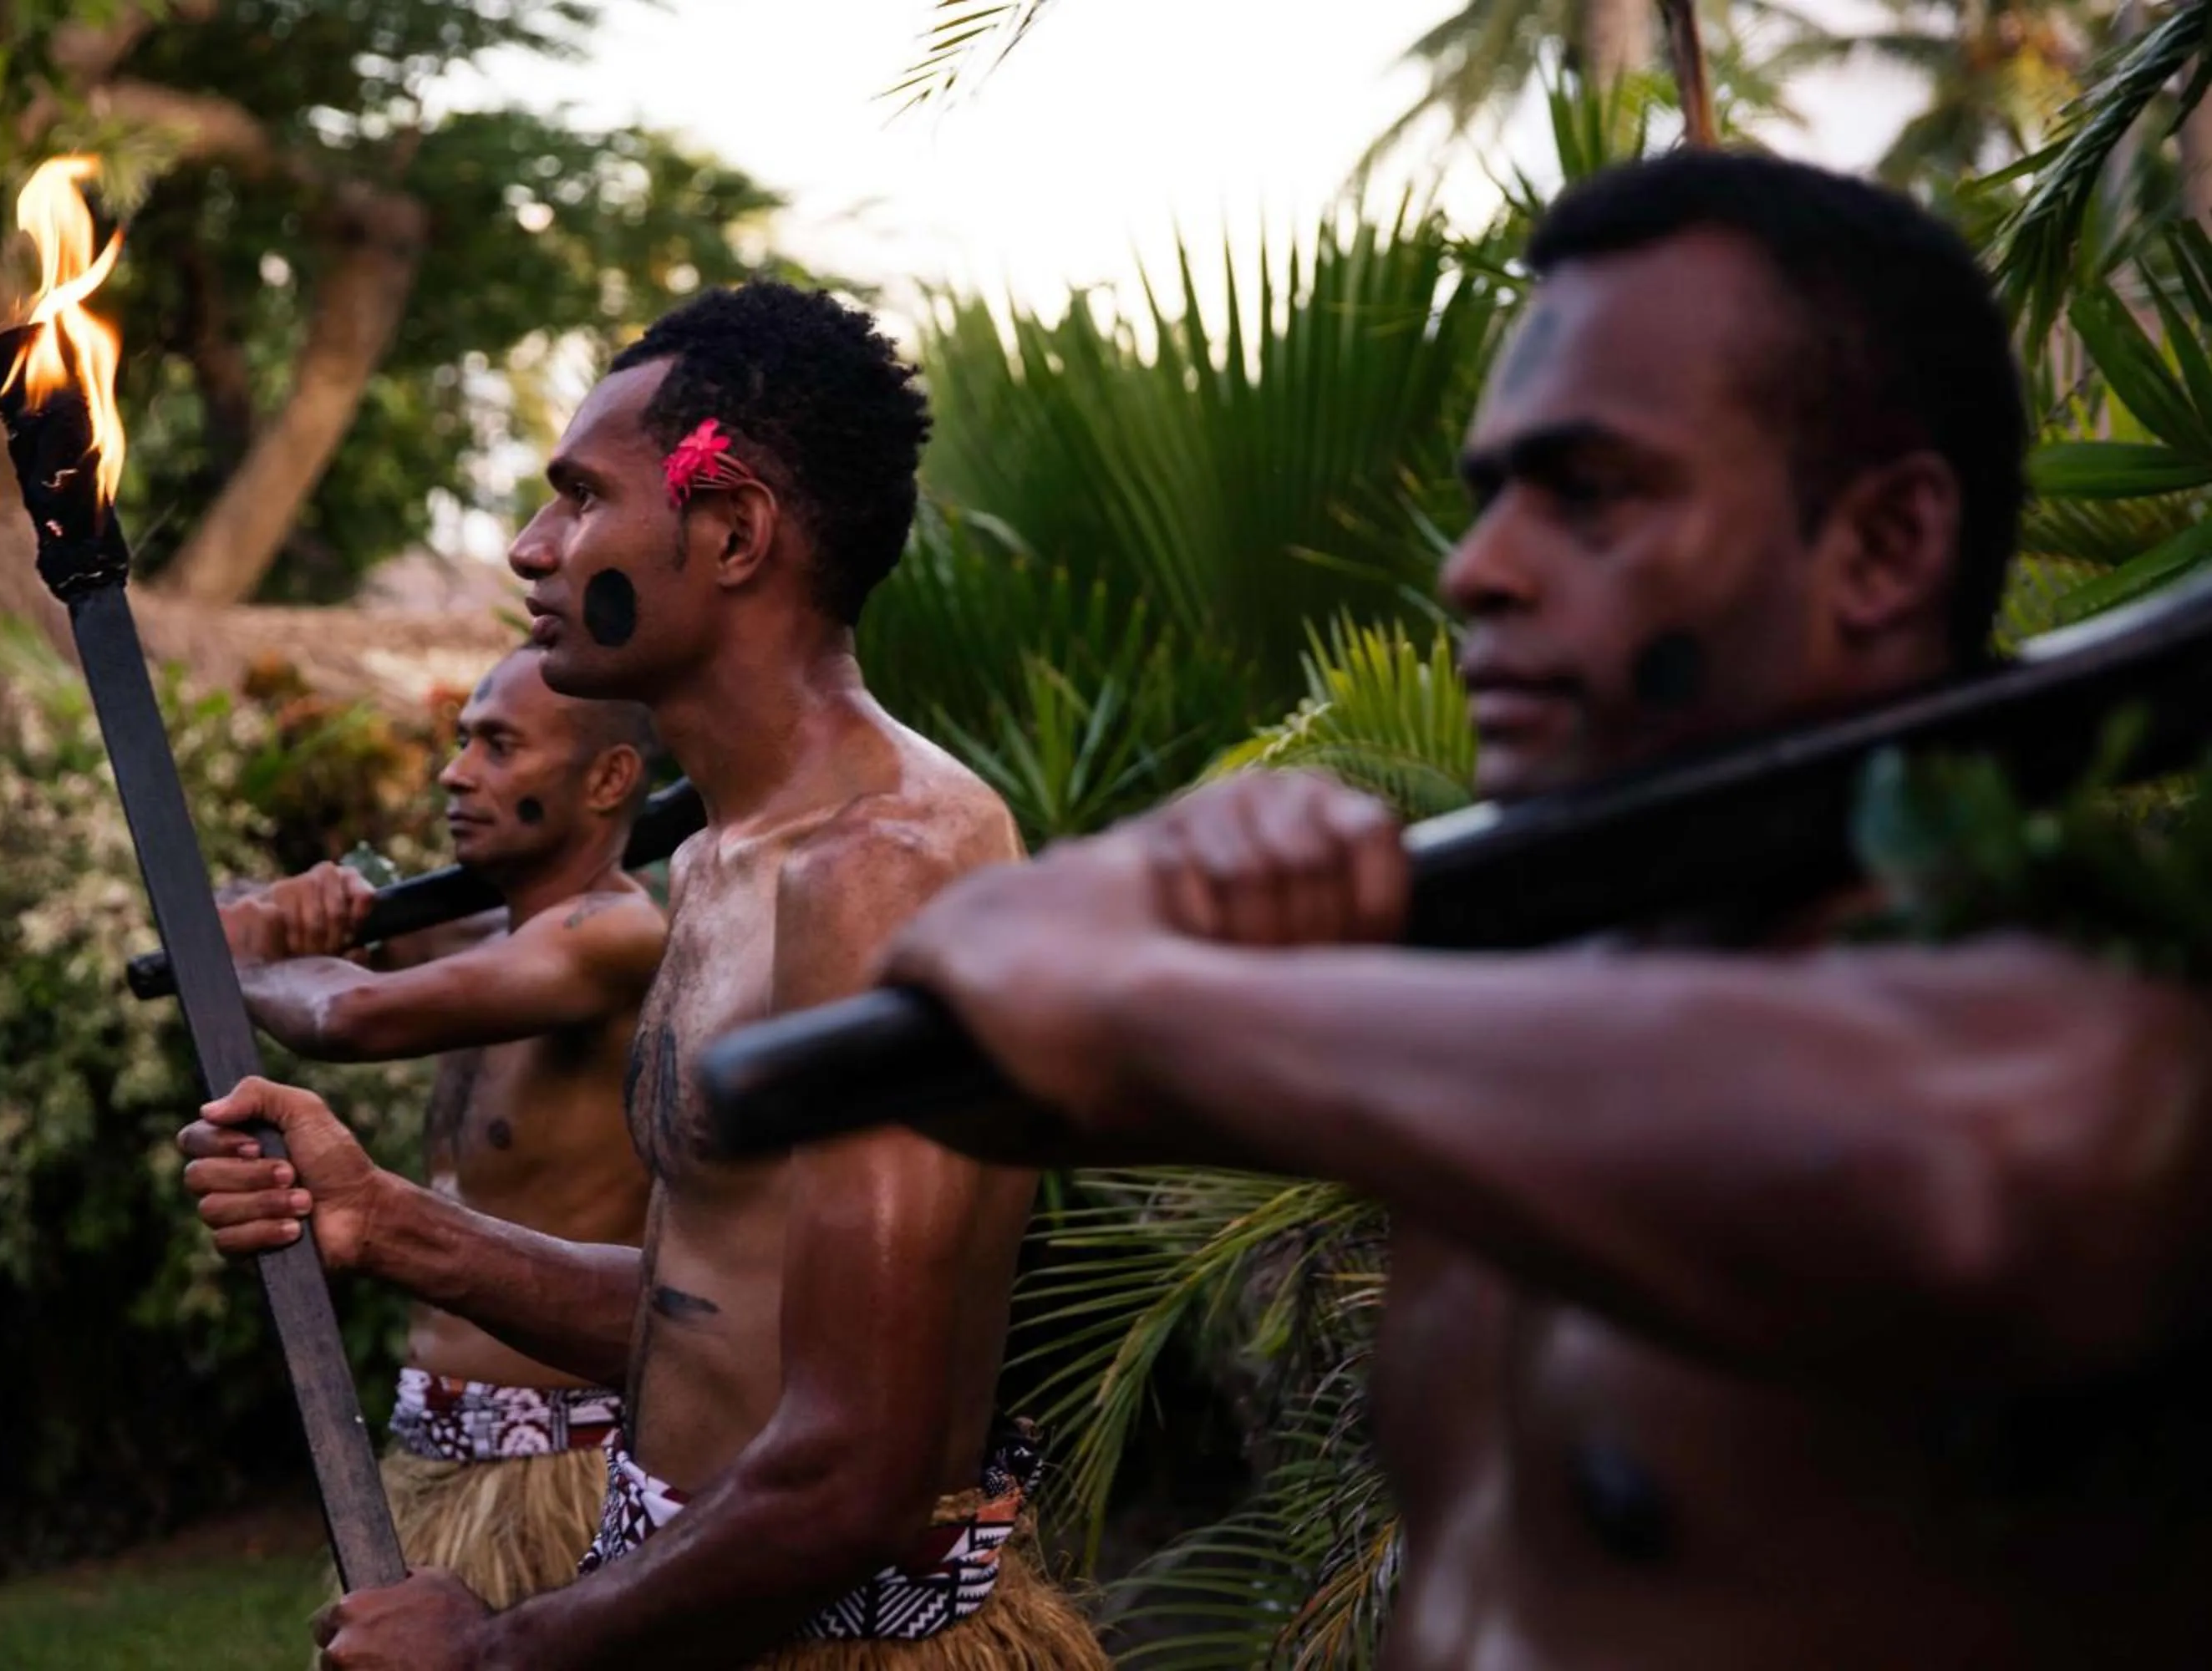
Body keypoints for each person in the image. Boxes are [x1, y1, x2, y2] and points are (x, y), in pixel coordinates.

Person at [872, 153, 2212, 1668]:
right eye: (1491, 496)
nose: (1479, 570)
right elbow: (989, 1070)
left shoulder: (2088, 1040)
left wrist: (1142, 985)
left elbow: (1957, 1180)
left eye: (1589, 494)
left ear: (1886, 545)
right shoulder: (1515, 1008)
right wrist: (1144, 879)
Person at [180, 282, 1109, 1669]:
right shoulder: (733, 860)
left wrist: (494, 1651)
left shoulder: (883, 866)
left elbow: (862, 1463)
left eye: (577, 501)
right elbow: (715, 1324)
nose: (529, 549)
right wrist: (385, 1220)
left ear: (728, 529)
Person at [216, 646, 665, 1607]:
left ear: (609, 778)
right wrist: (296, 907)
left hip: (568, 1471)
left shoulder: (614, 938)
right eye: (462, 740)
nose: (456, 770)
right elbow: (326, 949)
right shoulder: (480, 938)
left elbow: (350, 1014)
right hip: (434, 1452)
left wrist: (246, 960)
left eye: (499, 746)